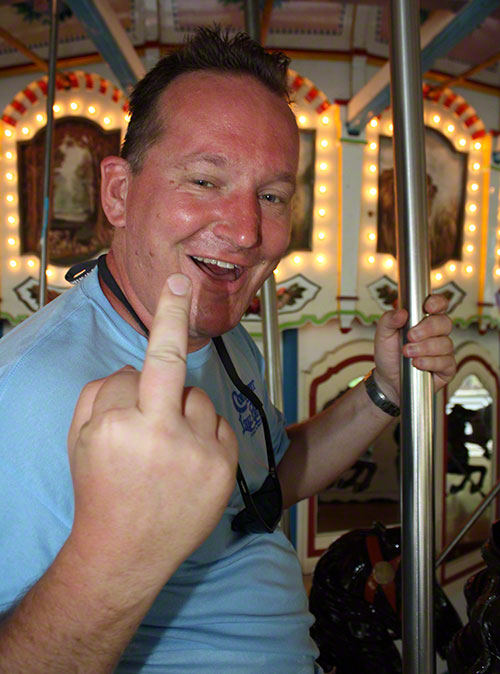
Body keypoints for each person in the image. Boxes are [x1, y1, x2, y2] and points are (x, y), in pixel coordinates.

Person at [0, 27, 456, 673]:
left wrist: (382, 391)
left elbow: (262, 488)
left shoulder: (223, 336)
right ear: (119, 193)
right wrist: (114, 551)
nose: (246, 232)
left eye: (271, 196)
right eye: (205, 181)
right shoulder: (28, 392)